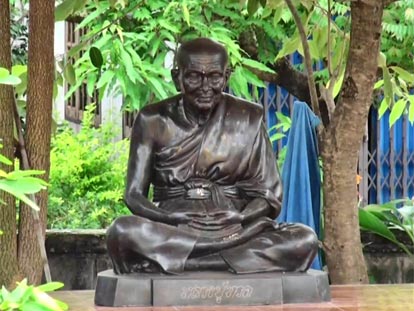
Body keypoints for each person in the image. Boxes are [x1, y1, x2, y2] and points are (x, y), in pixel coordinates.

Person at [106, 38, 318, 275]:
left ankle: (186, 263)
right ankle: (227, 262)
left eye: (214, 77)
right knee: (122, 231)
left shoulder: (248, 117)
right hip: (174, 227)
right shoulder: (153, 120)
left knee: (303, 239)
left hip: (234, 229)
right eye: (194, 76)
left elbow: (269, 195)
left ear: (226, 77)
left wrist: (239, 216)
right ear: (178, 78)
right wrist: (170, 217)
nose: (205, 86)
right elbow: (134, 195)